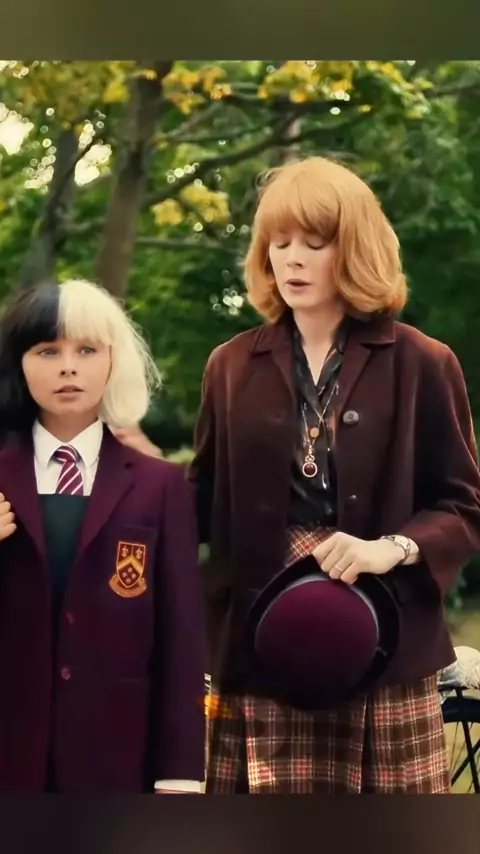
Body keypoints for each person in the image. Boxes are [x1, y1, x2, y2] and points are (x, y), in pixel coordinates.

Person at [184, 156, 480, 794]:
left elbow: (463, 506)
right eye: (279, 242)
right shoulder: (229, 365)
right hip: (259, 639)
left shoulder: (425, 362)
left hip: (382, 635)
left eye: (314, 243)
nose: (292, 259)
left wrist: (389, 549)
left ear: (355, 250)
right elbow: (196, 499)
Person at [0, 278, 206, 794]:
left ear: (114, 360)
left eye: (87, 349)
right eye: (48, 350)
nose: (68, 366)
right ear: (19, 364)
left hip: (117, 764)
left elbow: (181, 642)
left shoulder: (161, 487)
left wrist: (180, 776)